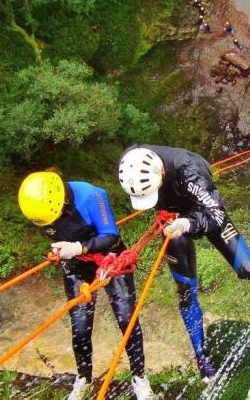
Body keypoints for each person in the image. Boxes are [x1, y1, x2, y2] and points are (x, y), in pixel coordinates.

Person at [117, 146, 250, 379]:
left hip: (204, 210)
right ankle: (201, 355)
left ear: (161, 172)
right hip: (171, 216)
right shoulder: (131, 163)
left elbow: (216, 214)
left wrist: (189, 224)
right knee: (185, 290)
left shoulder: (189, 173)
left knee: (247, 268)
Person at [18, 171, 154, 400]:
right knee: (80, 327)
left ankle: (140, 378)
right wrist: (63, 253)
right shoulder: (40, 209)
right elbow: (55, 234)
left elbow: (110, 236)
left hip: (110, 259)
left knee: (126, 319)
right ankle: (84, 378)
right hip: (76, 264)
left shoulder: (91, 196)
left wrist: (79, 248)